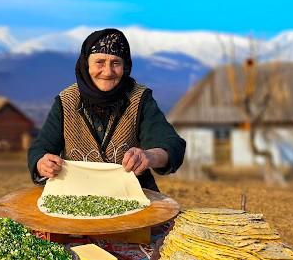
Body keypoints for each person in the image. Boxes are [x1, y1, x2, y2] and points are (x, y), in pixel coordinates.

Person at [27, 28, 186, 191]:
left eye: (115, 63)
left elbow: (172, 145)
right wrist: (42, 163)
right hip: (75, 194)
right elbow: (40, 148)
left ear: (125, 67)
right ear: (86, 64)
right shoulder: (66, 101)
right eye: (100, 62)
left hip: (133, 195)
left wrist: (150, 156)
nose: (108, 72)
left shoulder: (140, 99)